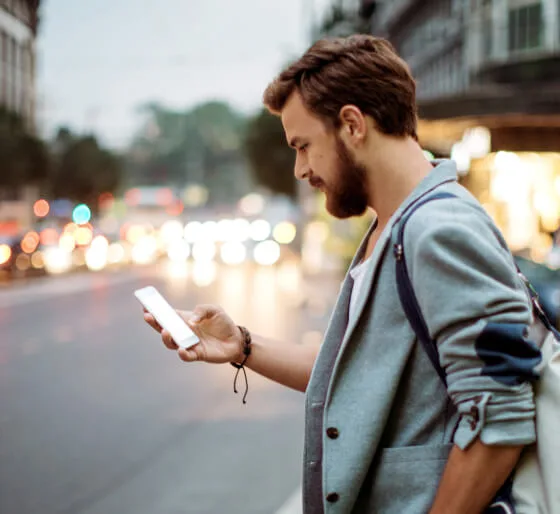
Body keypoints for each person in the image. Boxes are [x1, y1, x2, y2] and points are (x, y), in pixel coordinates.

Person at [144, 35, 540, 513]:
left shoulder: (438, 229)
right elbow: (361, 378)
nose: (299, 169)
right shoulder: (394, 226)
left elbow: (499, 416)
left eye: (304, 146)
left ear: (352, 124)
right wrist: (243, 345)